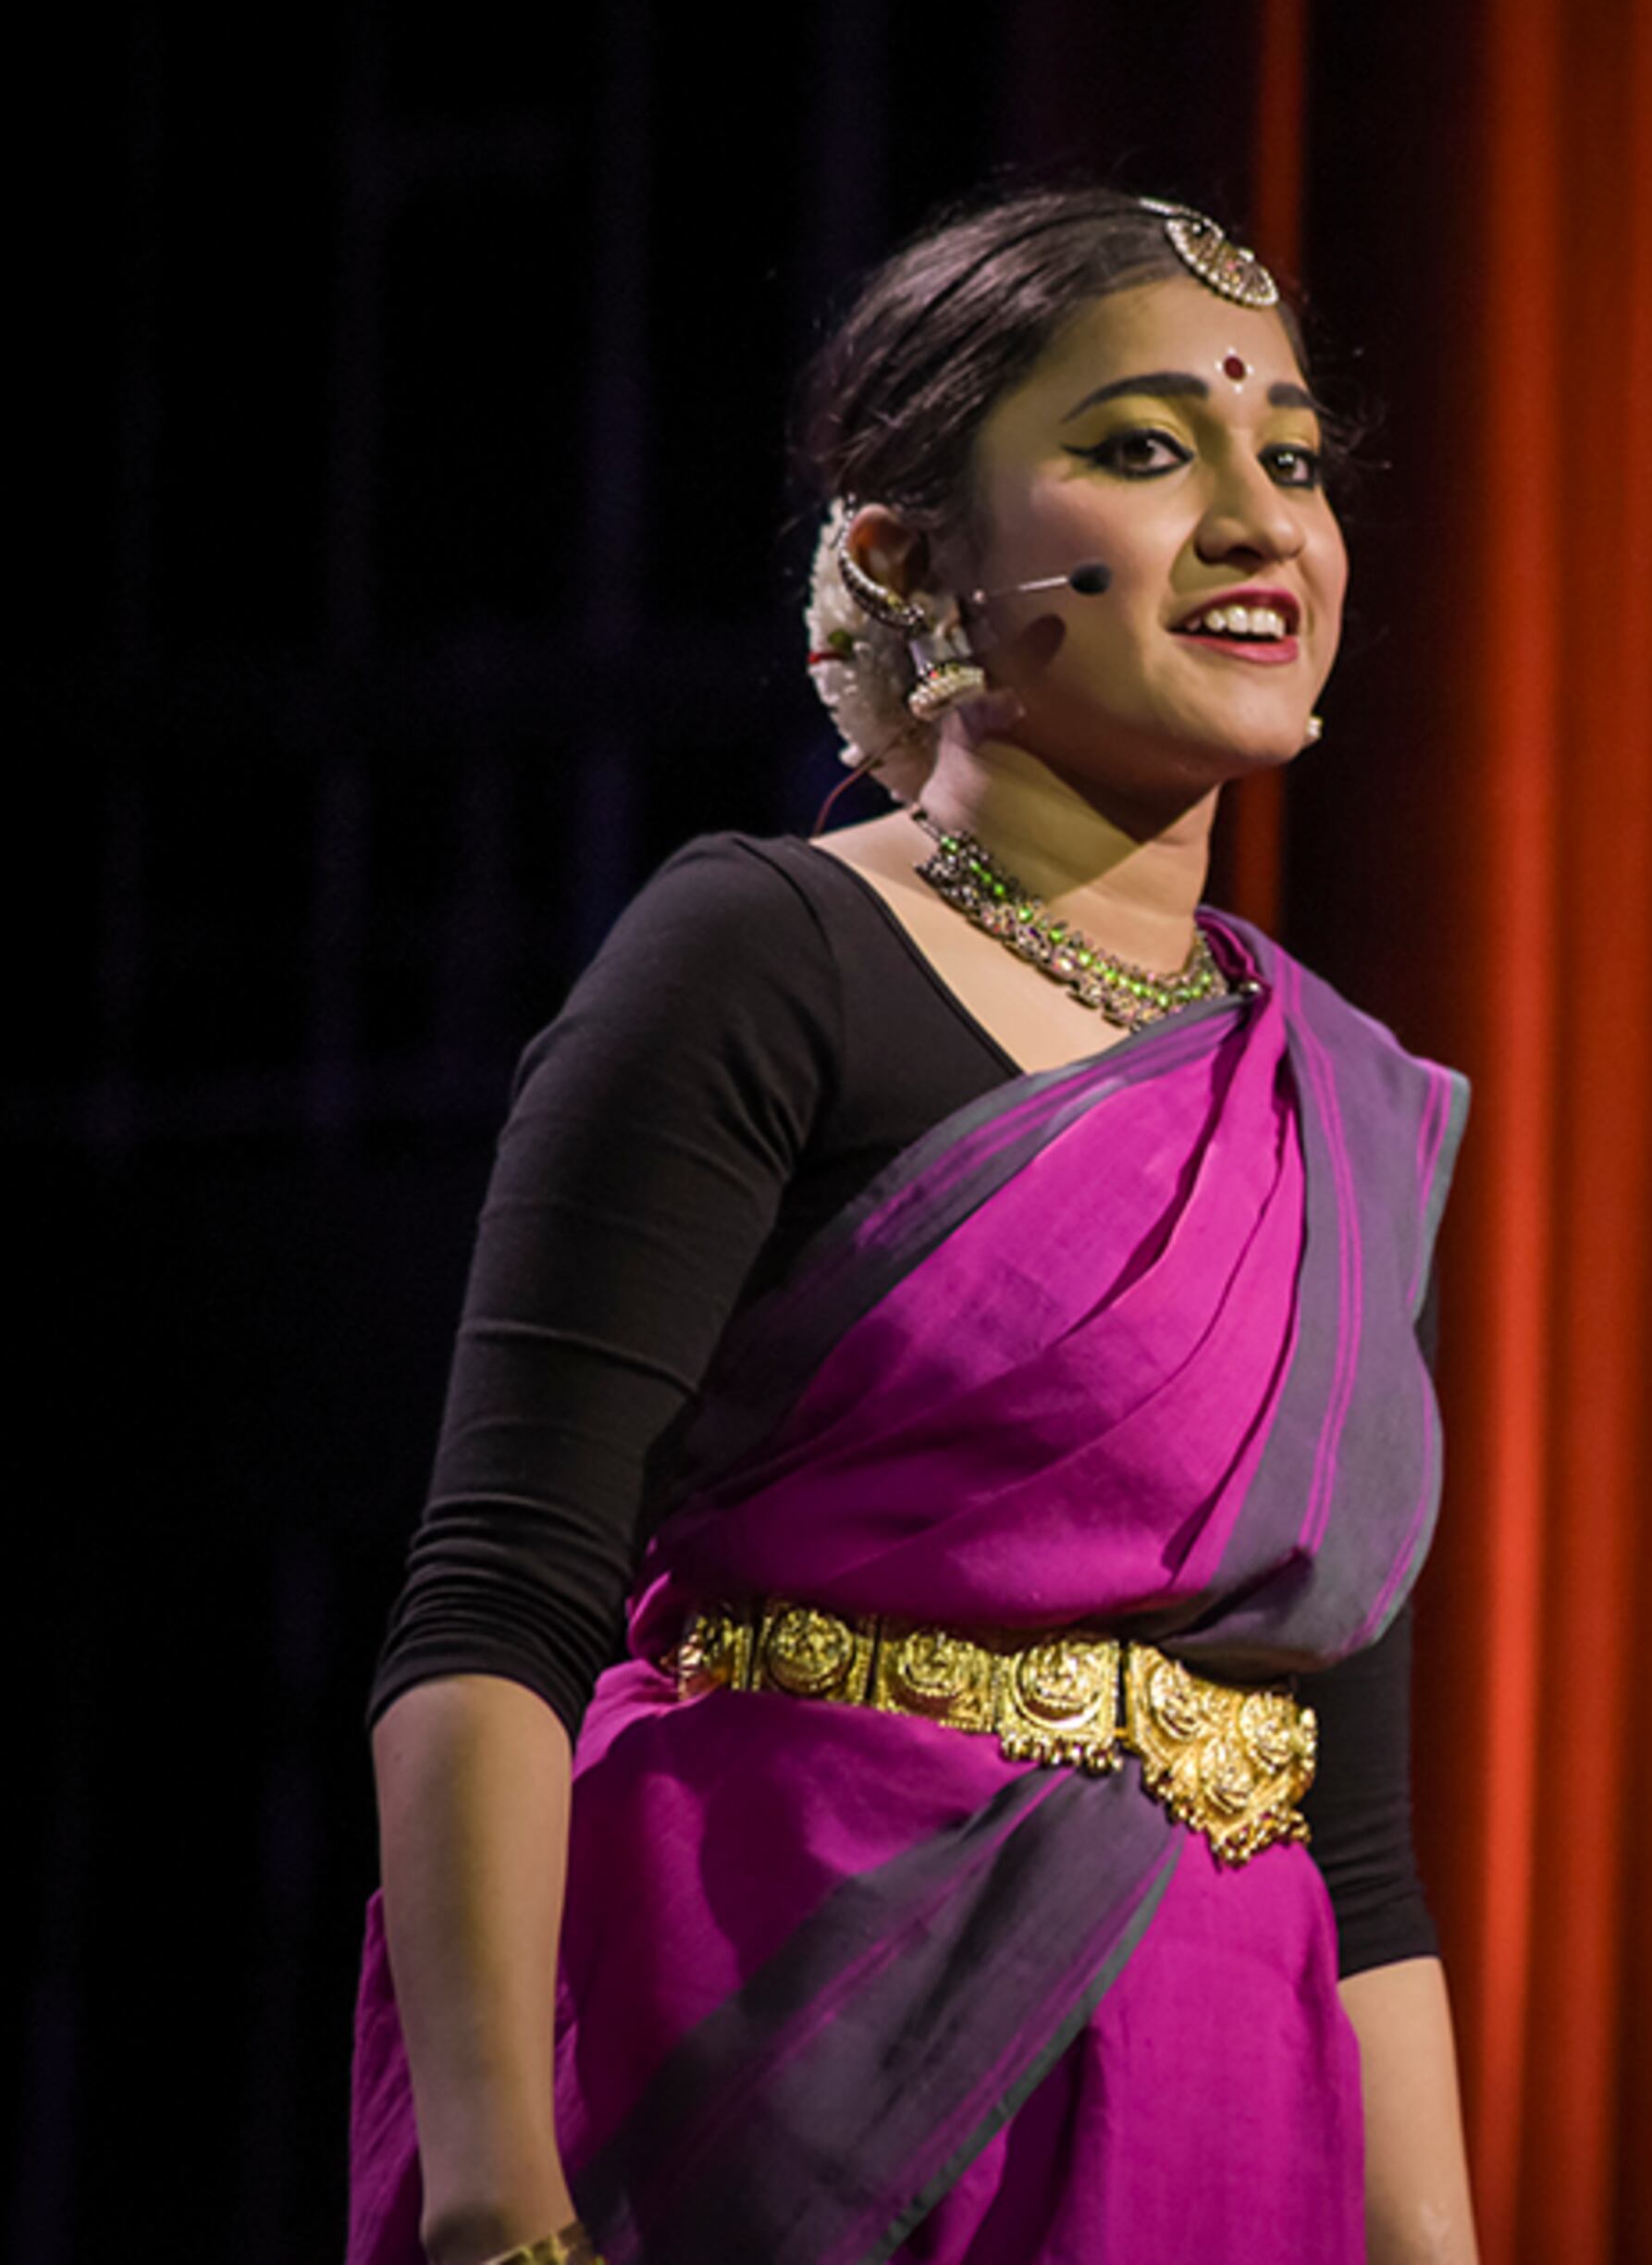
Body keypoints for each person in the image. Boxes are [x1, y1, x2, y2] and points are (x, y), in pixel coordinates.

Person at [352, 187, 1480, 2265]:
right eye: (1146, 448)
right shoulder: (761, 953)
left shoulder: (1350, 1099)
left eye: (1294, 459)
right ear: (904, 557)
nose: (1261, 520)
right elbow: (501, 1600)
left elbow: (1360, 1832)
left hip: (1227, 2117)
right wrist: (494, 2201)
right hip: (796, 2055)